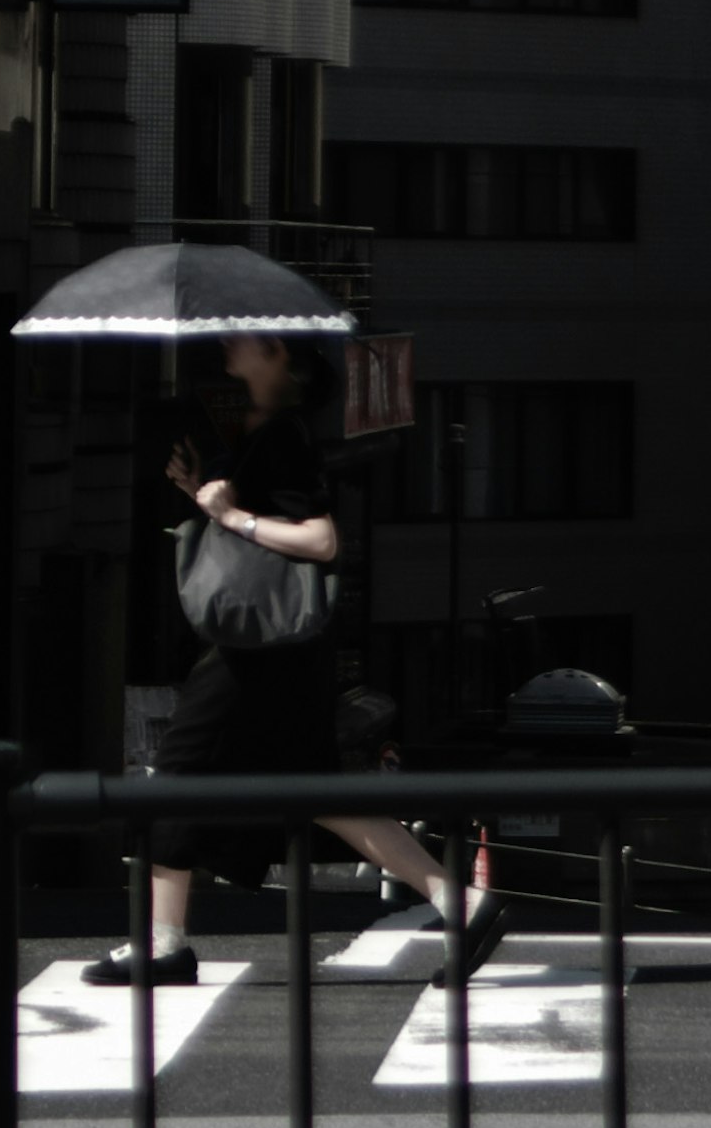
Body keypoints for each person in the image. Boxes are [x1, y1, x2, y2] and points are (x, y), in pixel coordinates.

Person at [83, 331, 507, 985]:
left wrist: (229, 515)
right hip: (279, 649)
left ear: (280, 352)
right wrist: (207, 492)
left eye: (247, 339)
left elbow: (321, 539)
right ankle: (463, 902)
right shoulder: (270, 431)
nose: (230, 344)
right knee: (319, 787)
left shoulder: (284, 435)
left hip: (257, 651)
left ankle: (165, 942)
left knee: (175, 770)